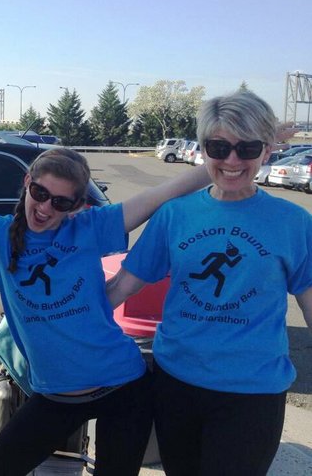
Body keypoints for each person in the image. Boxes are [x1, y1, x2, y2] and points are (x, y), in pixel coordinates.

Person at [0, 143, 211, 475]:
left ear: (75, 206)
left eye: (60, 202)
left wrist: (219, 164)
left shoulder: (90, 227)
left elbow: (162, 193)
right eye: (40, 192)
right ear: (27, 181)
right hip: (56, 396)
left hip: (124, 387)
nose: (45, 206)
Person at [107, 90, 312, 476]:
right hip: (177, 384)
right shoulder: (175, 215)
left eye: (247, 148)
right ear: (203, 149)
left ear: (267, 151)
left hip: (253, 393)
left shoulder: (294, 222)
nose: (232, 161)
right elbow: (121, 288)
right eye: (219, 147)